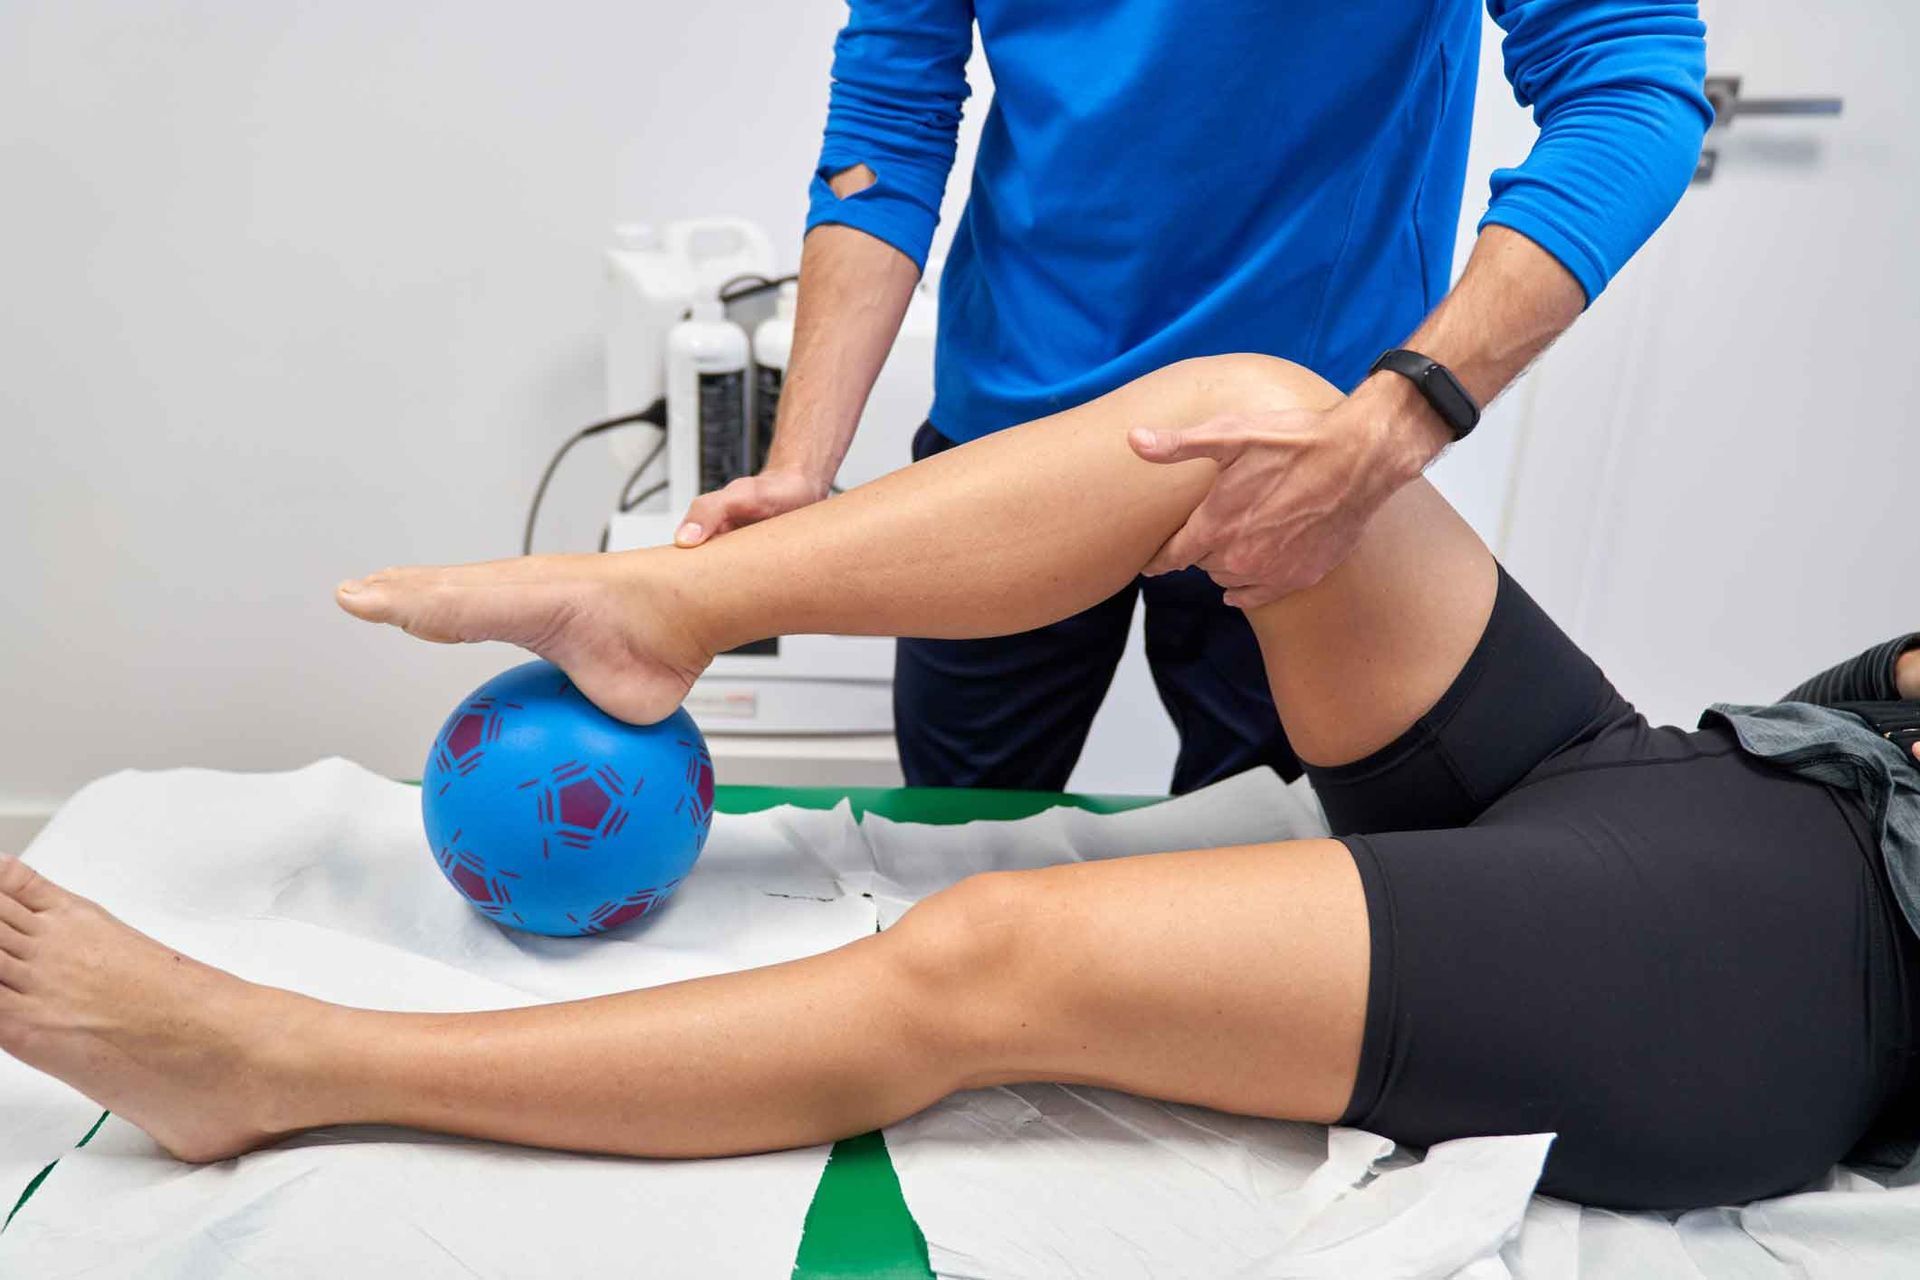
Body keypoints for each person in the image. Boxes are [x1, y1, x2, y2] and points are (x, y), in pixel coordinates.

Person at [4, 355, 1916, 1209]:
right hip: (1684, 778)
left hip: (1794, 964)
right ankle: (666, 612)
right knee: (1244, 422)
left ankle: (273, 1068)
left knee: (1003, 957)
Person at [670, 0, 1713, 795]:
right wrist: (798, 467)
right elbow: (887, 127)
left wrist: (1396, 422)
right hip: (1002, 439)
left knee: (1261, 892)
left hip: (1298, 466)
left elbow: (1629, 83)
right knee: (949, 835)